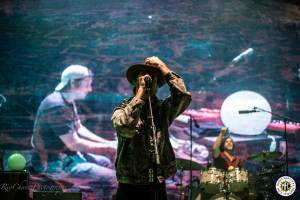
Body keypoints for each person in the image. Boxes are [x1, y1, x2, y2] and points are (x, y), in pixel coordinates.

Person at [111, 56, 191, 200]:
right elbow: (126, 127)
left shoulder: (162, 109)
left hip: (156, 181)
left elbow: (183, 96)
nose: (148, 81)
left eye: (153, 79)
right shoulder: (122, 109)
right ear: (135, 81)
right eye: (143, 77)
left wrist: (164, 69)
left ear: (157, 85)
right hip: (130, 183)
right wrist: (141, 93)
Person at [31, 65, 117, 193]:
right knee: (114, 178)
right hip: (54, 164)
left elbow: (79, 128)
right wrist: (109, 147)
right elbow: (74, 144)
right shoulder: (57, 106)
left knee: (104, 162)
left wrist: (107, 142)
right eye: (87, 84)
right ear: (73, 83)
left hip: (69, 157)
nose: (90, 89)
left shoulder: (67, 100)